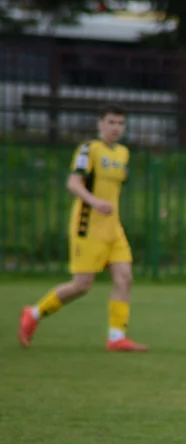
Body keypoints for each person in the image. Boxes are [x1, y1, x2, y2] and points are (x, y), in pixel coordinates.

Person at [18, 103, 148, 352]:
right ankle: (33, 313)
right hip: (87, 227)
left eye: (120, 123)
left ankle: (116, 337)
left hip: (113, 227)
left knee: (124, 278)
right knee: (81, 286)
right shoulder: (89, 150)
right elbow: (73, 182)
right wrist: (94, 201)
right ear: (100, 124)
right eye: (111, 122)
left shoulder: (123, 153)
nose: (116, 128)